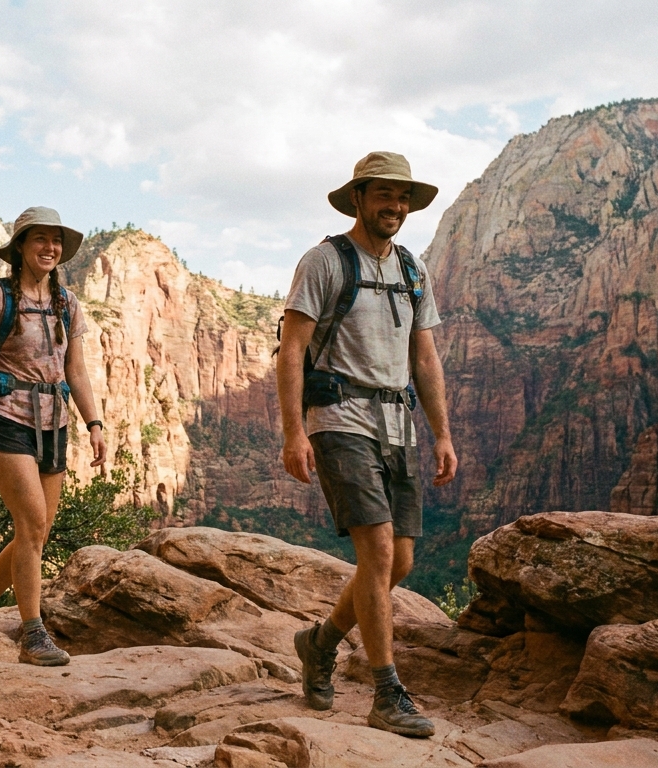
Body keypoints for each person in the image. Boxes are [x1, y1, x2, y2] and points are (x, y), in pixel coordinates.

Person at [276, 151, 458, 736]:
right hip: (339, 418)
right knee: (377, 554)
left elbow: (424, 358)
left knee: (399, 561)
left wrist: (443, 434)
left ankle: (320, 642)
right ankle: (386, 691)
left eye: (403, 198)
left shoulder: (412, 269)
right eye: (384, 195)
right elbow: (291, 350)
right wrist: (293, 431)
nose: (396, 207)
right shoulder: (325, 261)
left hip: (398, 422)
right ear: (358, 198)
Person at [0, 206, 107, 667]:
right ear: (20, 247)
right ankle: (33, 635)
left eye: (56, 240)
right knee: (33, 524)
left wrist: (94, 424)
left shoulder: (67, 304)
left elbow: (75, 369)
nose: (49, 248)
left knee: (34, 532)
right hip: (5, 417)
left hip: (54, 423)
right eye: (39, 239)